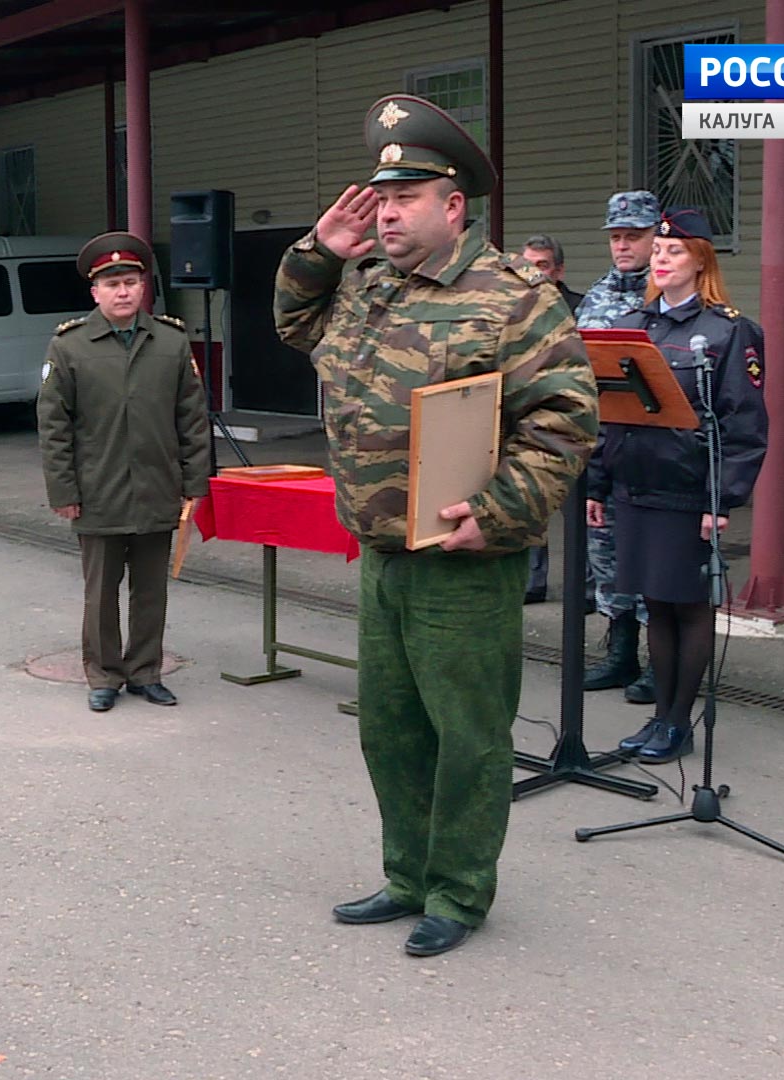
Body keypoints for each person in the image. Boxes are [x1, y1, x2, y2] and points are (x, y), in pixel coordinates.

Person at [275, 94, 597, 958]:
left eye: (404, 199)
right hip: (382, 551)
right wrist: (317, 254)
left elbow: (563, 421)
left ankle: (458, 890)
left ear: (454, 207)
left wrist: (496, 517)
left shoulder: (514, 297)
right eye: (379, 201)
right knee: (391, 726)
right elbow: (294, 323)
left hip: (462, 556)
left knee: (467, 733)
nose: (384, 214)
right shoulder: (367, 285)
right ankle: (407, 875)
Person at [586, 206, 767, 764]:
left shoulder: (729, 332)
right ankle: (659, 716)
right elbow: (610, 413)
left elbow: (744, 423)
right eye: (657, 252)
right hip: (636, 486)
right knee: (654, 606)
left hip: (688, 491)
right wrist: (597, 484)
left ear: (700, 262)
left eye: (674, 252)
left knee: (688, 606)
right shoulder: (637, 329)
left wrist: (724, 497)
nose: (661, 260)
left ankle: (677, 722)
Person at [37, 231, 212, 713]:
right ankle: (103, 674)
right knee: (100, 594)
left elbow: (192, 420)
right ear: (94, 292)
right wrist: (63, 489)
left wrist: (195, 484)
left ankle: (145, 672)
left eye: (131, 281)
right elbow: (54, 427)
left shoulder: (172, 343)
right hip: (98, 491)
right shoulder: (70, 347)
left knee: (151, 589)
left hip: (159, 487)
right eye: (112, 283)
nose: (122, 291)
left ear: (143, 288)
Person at [575, 191, 664, 704]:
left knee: (654, 560)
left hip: (655, 453)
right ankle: (620, 653)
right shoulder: (596, 297)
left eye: (634, 235)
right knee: (607, 557)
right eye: (616, 237)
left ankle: (660, 660)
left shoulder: (671, 293)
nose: (623, 245)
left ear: (657, 236)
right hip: (605, 449)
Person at [517, 234, 581, 603]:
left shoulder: (580, 308)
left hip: (572, 424)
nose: (532, 272)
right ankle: (532, 581)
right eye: (526, 264)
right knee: (530, 504)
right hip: (527, 423)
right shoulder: (512, 308)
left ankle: (585, 587)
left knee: (580, 511)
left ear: (558, 271)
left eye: (540, 265)